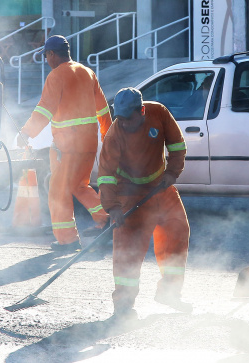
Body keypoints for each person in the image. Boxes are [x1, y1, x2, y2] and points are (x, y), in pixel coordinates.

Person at [97, 87, 190, 321]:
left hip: (161, 187)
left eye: (129, 118)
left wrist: (172, 172)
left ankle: (169, 292)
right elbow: (106, 175)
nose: (124, 123)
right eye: (120, 118)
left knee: (177, 230)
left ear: (142, 110)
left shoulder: (159, 113)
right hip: (129, 193)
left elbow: (177, 145)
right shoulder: (114, 134)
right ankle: (123, 305)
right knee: (127, 248)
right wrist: (114, 208)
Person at [18, 35, 111, 251]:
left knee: (58, 191)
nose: (46, 61)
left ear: (51, 54)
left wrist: (25, 134)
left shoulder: (56, 75)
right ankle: (106, 220)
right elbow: (103, 108)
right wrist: (107, 135)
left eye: (46, 56)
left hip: (68, 145)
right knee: (79, 185)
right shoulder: (87, 72)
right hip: (89, 143)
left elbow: (44, 109)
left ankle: (67, 241)